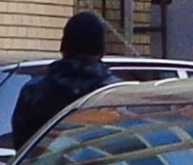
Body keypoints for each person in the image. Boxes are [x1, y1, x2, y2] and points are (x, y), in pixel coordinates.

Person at [10, 10, 120, 148]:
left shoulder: (34, 91)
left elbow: (21, 145)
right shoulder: (115, 93)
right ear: (101, 52)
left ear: (64, 49)